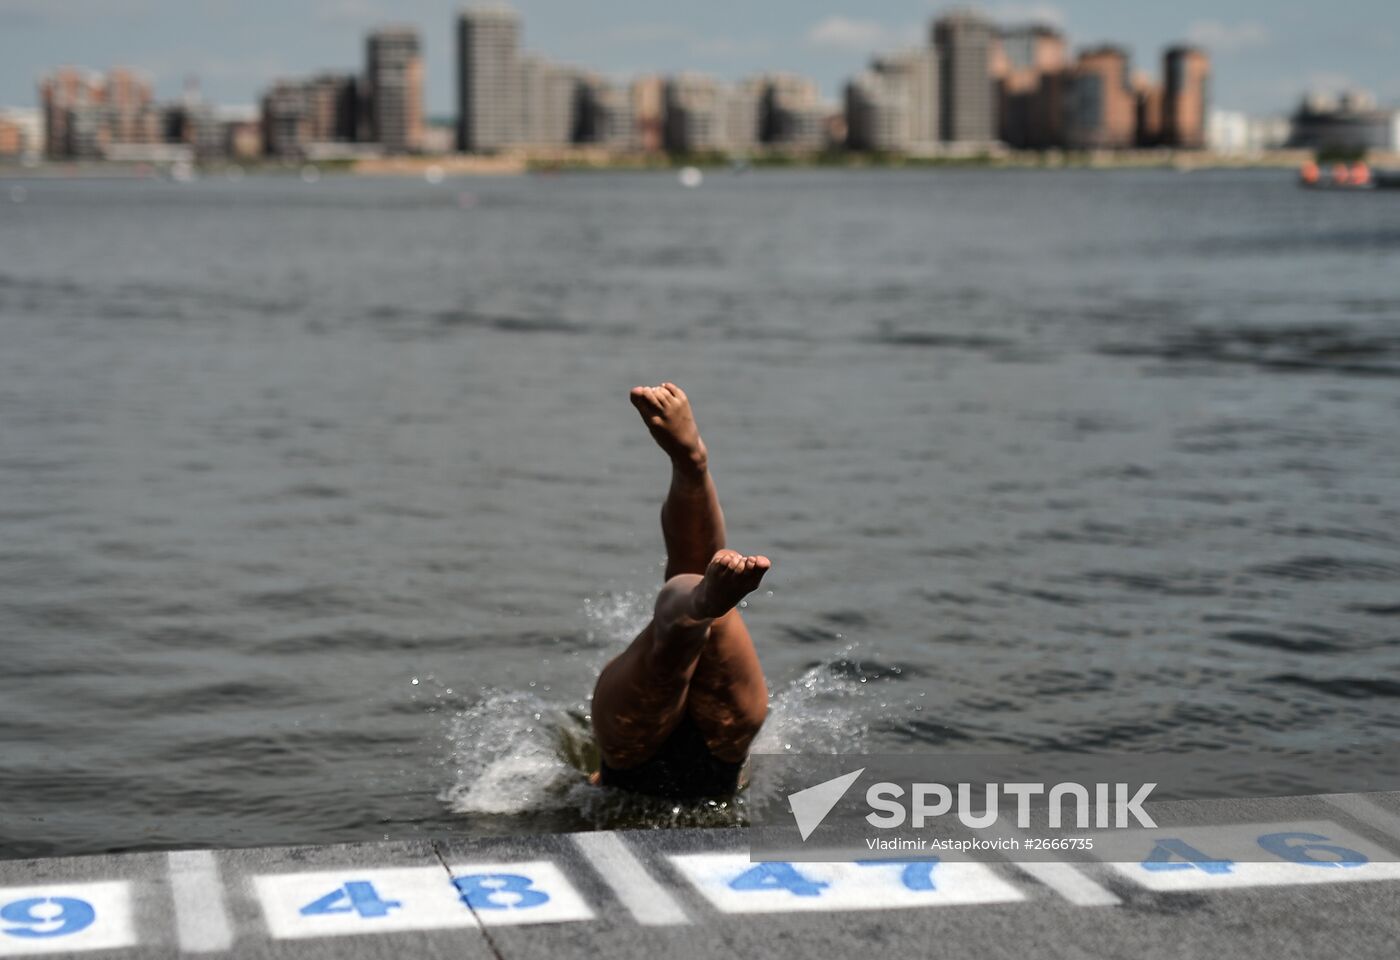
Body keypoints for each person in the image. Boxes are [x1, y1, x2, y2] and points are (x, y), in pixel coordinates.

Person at [590, 383, 770, 800]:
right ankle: (692, 466)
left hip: (631, 764)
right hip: (721, 762)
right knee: (677, 622)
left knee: (674, 632)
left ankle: (706, 602)